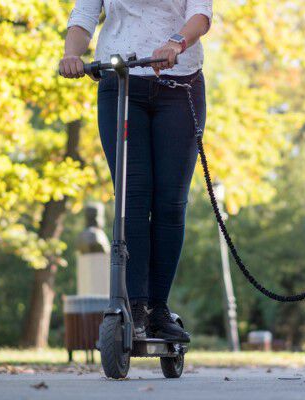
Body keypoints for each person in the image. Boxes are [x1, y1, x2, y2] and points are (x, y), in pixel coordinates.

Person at [58, 0, 213, 343]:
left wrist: (176, 43)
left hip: (179, 84)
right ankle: (137, 306)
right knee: (133, 195)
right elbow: (83, 16)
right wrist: (71, 54)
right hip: (121, 81)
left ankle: (158, 307)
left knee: (171, 201)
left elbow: (200, 16)